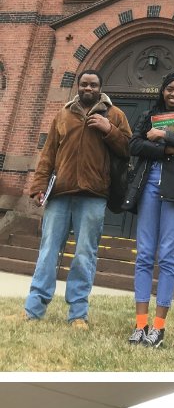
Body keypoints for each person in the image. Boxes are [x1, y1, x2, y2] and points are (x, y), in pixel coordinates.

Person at [20, 69, 131, 329]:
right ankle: (34, 308)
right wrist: (38, 186)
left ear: (100, 88)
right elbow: (48, 154)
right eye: (84, 84)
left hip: (93, 195)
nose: (88, 89)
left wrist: (109, 129)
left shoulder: (115, 115)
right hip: (60, 194)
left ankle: (78, 313)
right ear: (78, 87)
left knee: (84, 254)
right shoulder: (63, 114)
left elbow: (128, 148)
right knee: (48, 250)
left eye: (93, 85)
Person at [125, 71, 174, 350]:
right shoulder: (148, 115)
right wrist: (167, 150)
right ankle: (140, 324)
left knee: (168, 256)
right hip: (148, 188)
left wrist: (163, 135)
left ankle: (158, 328)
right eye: (169, 89)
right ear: (162, 91)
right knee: (144, 254)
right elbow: (133, 143)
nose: (173, 94)